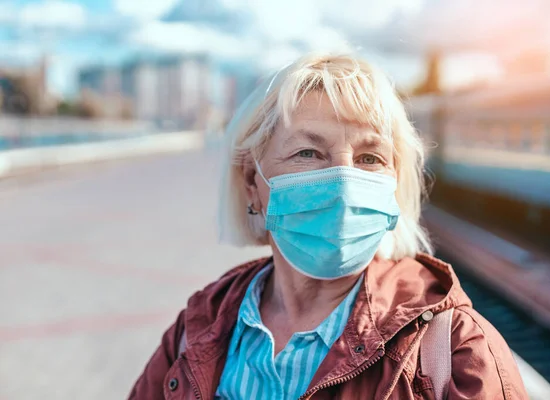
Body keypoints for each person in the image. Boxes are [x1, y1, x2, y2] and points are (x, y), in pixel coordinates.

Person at [128, 53, 527, 400]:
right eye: (308, 152)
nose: (343, 182)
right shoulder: (201, 328)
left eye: (370, 158)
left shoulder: (454, 350)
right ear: (252, 182)